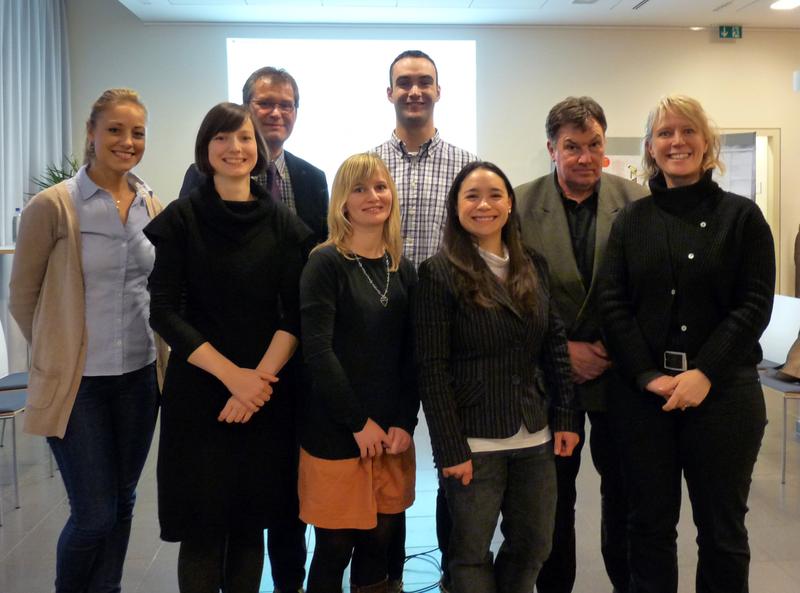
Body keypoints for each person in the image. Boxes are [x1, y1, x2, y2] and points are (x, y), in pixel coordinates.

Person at [599, 95, 775, 593]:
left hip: (724, 397)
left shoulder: (742, 219)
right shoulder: (631, 222)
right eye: (664, 133)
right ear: (651, 149)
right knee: (648, 527)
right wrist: (647, 376)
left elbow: (753, 305)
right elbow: (614, 306)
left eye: (687, 131)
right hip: (643, 400)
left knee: (722, 533)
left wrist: (705, 372)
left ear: (707, 142)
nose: (677, 141)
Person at [145, 102, 310, 593]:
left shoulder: (282, 223)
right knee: (202, 528)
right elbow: (163, 311)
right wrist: (234, 378)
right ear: (205, 149)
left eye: (244, 138)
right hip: (200, 392)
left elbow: (293, 313)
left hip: (264, 392)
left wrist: (255, 381)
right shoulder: (181, 219)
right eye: (222, 138)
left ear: (258, 149)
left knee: (249, 523)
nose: (234, 148)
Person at [9, 88, 165, 593]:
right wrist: (55, 352)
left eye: (137, 132)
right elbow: (23, 296)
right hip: (79, 386)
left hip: (140, 378)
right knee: (94, 514)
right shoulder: (54, 206)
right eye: (115, 129)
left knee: (122, 502)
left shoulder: (150, 204)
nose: (127, 141)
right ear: (92, 134)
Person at [415, 161, 581, 593]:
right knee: (470, 556)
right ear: (456, 207)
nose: (484, 204)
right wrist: (449, 448)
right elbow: (431, 369)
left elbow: (555, 347)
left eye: (494, 195)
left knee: (533, 547)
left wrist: (565, 416)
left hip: (535, 436)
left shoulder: (534, 266)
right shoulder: (438, 273)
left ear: (510, 204)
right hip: (474, 442)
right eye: (471, 196)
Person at [514, 96, 648, 593]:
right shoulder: (520, 205)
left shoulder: (636, 202)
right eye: (572, 146)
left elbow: (649, 292)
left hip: (621, 376)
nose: (585, 157)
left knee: (625, 494)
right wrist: (562, 352)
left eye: (594, 145)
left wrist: (612, 351)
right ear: (552, 149)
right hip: (551, 379)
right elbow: (513, 295)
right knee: (552, 498)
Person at [373, 49, 476, 592]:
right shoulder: (367, 166)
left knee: (452, 455)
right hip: (380, 334)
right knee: (387, 453)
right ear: (389, 93)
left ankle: (451, 572)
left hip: (447, 332)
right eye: (404, 83)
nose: (414, 91)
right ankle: (384, 574)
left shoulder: (466, 165)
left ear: (439, 91)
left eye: (424, 83)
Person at [298, 153, 418, 593]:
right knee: (335, 546)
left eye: (381, 187)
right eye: (360, 189)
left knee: (380, 541)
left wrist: (405, 421)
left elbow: (412, 356)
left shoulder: (401, 268)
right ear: (341, 203)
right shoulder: (324, 263)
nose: (373, 197)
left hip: (390, 435)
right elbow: (317, 351)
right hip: (336, 432)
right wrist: (357, 422)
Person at [180, 66, 328, 247]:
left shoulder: (314, 179)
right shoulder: (204, 173)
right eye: (265, 103)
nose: (276, 113)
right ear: (245, 109)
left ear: (295, 112)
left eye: (285, 105)